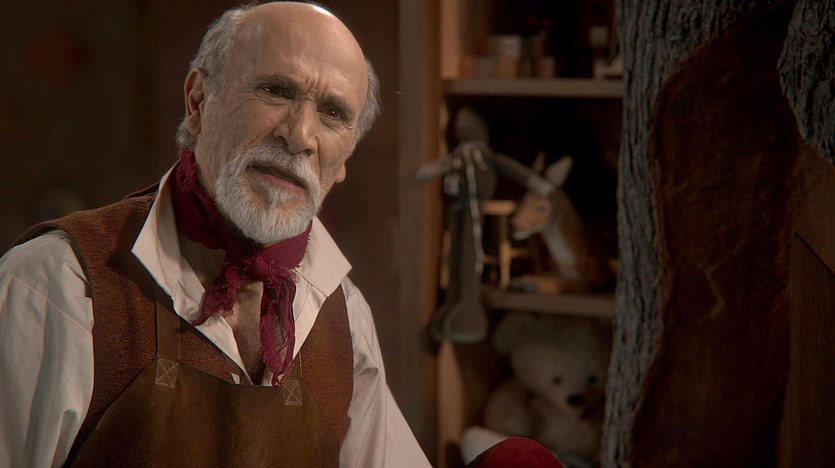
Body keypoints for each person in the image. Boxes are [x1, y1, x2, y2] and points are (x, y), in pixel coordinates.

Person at [0, 2, 431, 466]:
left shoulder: (344, 316)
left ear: (345, 158)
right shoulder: (53, 286)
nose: (300, 135)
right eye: (274, 90)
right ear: (199, 102)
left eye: (332, 113)